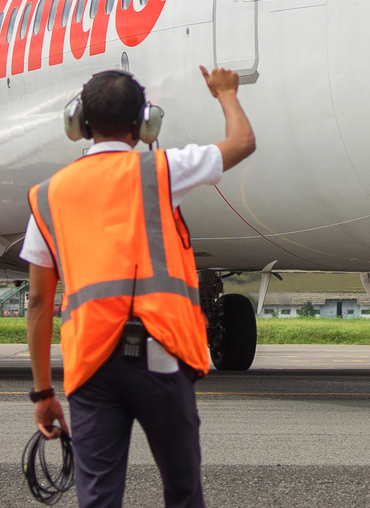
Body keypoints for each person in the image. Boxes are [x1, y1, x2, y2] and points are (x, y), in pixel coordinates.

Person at [23, 66, 256, 508]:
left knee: (99, 497)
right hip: (161, 356)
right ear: (145, 123)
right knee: (183, 491)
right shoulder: (164, 170)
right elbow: (242, 143)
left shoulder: (48, 195)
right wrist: (226, 93)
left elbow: (38, 302)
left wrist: (42, 393)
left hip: (90, 365)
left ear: (79, 124)